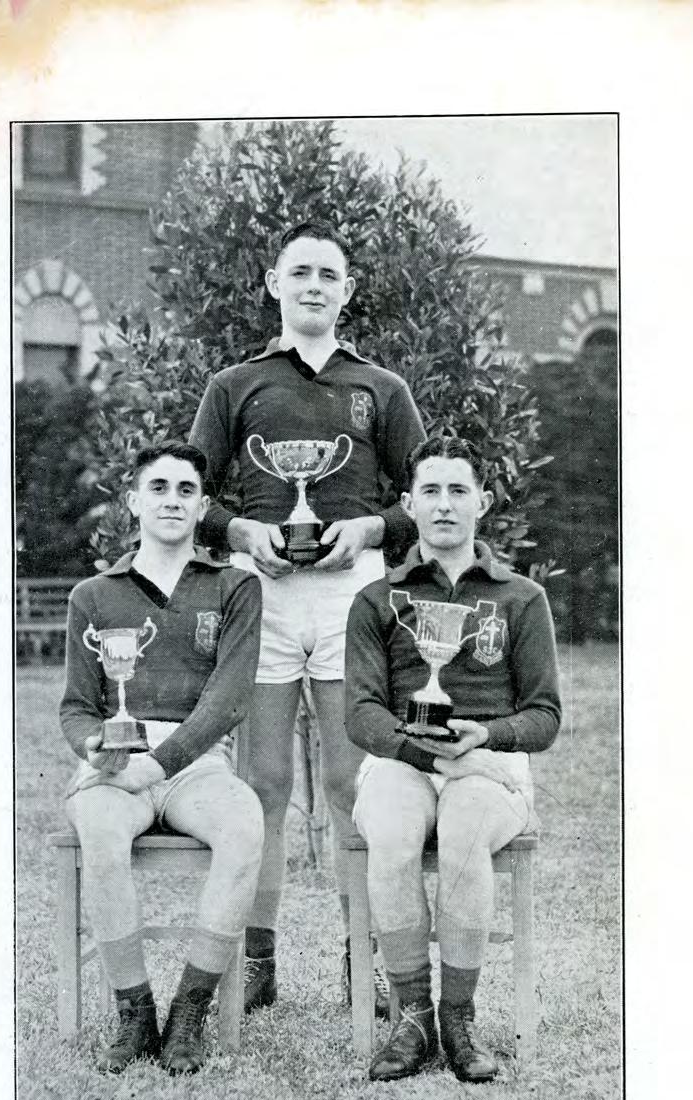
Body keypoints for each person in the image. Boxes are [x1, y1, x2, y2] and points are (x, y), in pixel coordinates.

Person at [189, 220, 427, 1015]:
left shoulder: (382, 388)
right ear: (274, 283)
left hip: (351, 596)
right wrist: (239, 531)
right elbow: (190, 493)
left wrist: (371, 529)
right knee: (262, 781)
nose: (315, 285)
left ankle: (365, 957)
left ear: (347, 289)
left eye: (329, 273)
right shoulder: (234, 385)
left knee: (353, 779)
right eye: (301, 272)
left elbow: (426, 495)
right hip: (261, 596)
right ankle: (258, 959)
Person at [344, 436, 561, 1084]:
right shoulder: (377, 598)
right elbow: (361, 714)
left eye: (458, 490)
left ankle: (458, 1019)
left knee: (466, 832)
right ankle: (412, 1016)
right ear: (408, 504)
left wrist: (485, 735)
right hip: (403, 762)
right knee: (389, 828)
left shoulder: (521, 597)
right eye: (431, 491)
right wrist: (426, 754)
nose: (444, 504)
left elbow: (545, 716)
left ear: (482, 503)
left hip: (487, 765)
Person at [60, 444, 264, 1075]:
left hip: (195, 761)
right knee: (98, 827)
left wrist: (160, 763)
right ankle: (135, 1013)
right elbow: (77, 707)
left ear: (203, 507)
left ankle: (189, 1012)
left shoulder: (235, 586)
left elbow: (229, 700)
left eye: (185, 490)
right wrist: (94, 747)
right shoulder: (94, 595)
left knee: (244, 824)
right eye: (158, 488)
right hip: (117, 763)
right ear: (133, 502)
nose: (171, 500)